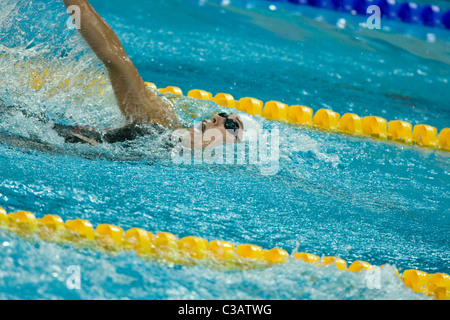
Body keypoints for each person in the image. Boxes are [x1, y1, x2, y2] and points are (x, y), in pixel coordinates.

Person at [60, 0, 260, 150]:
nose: (218, 117)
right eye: (224, 115)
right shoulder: (161, 122)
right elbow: (116, 59)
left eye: (232, 124)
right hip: (54, 140)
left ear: (237, 146)